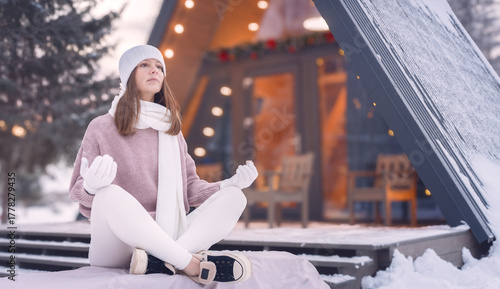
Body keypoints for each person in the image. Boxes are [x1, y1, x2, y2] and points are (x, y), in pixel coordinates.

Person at [69, 44, 258, 285]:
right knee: (109, 194)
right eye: (145, 65)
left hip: (167, 233)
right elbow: (77, 190)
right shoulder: (101, 127)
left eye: (159, 67)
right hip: (119, 243)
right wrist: (91, 188)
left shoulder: (171, 130)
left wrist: (226, 185)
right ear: (128, 75)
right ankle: (189, 263)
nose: (154, 71)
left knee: (235, 196)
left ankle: (161, 261)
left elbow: (189, 186)